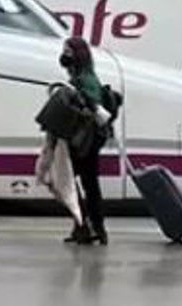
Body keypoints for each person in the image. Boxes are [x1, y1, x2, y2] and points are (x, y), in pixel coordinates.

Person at [59, 36, 110, 246]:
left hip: (85, 140)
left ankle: (87, 227)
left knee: (75, 182)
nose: (64, 56)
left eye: (68, 52)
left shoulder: (85, 80)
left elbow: (91, 106)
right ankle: (88, 227)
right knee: (86, 183)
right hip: (87, 139)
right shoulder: (83, 76)